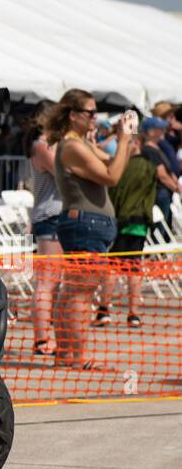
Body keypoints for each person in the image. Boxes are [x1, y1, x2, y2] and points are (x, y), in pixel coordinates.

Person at [43, 89, 131, 371]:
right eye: (90, 112)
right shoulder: (73, 146)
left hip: (87, 223)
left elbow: (110, 162)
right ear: (73, 115)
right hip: (86, 223)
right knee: (80, 291)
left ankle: (67, 353)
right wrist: (125, 139)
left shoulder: (78, 143)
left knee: (74, 290)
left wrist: (121, 140)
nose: (95, 117)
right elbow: (112, 175)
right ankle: (75, 355)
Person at [104, 133, 155, 328]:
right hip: (138, 224)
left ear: (136, 143)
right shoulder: (148, 167)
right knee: (133, 269)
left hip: (122, 222)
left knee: (113, 268)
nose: (121, 146)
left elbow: (113, 193)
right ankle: (133, 314)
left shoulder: (123, 167)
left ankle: (104, 311)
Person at [25, 110, 62, 355]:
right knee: (47, 282)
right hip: (49, 218)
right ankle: (41, 339)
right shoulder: (41, 146)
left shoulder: (54, 144)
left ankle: (51, 335)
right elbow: (65, 172)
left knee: (57, 283)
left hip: (58, 218)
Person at [141, 116, 180, 243]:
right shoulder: (148, 149)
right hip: (160, 193)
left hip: (165, 193)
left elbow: (168, 171)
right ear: (151, 132)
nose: (164, 130)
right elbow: (161, 175)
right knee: (160, 229)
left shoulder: (157, 148)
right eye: (160, 128)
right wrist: (176, 188)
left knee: (165, 227)